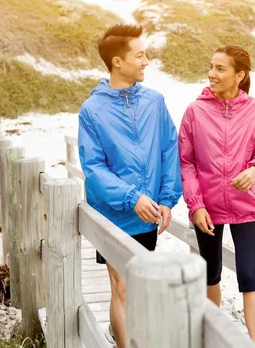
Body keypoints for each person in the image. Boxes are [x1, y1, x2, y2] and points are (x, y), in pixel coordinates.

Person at [78, 24, 182, 347]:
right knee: (121, 286)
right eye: (140, 55)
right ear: (117, 62)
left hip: (148, 214)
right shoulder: (92, 111)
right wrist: (130, 196)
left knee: (139, 287)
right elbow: (93, 168)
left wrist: (166, 199)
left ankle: (126, 335)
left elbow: (169, 149)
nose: (146, 61)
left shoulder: (154, 101)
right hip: (112, 215)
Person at [178, 45, 255, 348]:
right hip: (206, 207)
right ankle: (210, 340)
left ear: (239, 75)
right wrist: (196, 206)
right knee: (210, 273)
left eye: (220, 68)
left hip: (245, 205)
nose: (211, 74)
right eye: (211, 66)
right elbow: (186, 161)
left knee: (249, 275)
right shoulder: (195, 111)